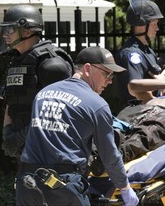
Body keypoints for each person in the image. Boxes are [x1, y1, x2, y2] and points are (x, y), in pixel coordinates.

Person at [15, 46, 139, 206]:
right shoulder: (97, 104)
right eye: (107, 73)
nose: (109, 81)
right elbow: (109, 155)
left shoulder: (43, 94)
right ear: (87, 68)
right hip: (62, 187)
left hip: (27, 183)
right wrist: (125, 187)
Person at [0, 4, 74, 158]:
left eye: (10, 29)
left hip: (49, 150)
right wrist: (8, 134)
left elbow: (56, 114)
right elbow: (11, 102)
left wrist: (17, 138)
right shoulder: (18, 61)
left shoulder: (52, 64)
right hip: (25, 150)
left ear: (27, 31)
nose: (5, 35)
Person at [115, 0, 165, 109]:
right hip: (138, 116)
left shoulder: (147, 50)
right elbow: (136, 89)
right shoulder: (132, 53)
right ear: (141, 25)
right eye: (154, 23)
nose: (157, 28)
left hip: (150, 111)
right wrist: (159, 84)